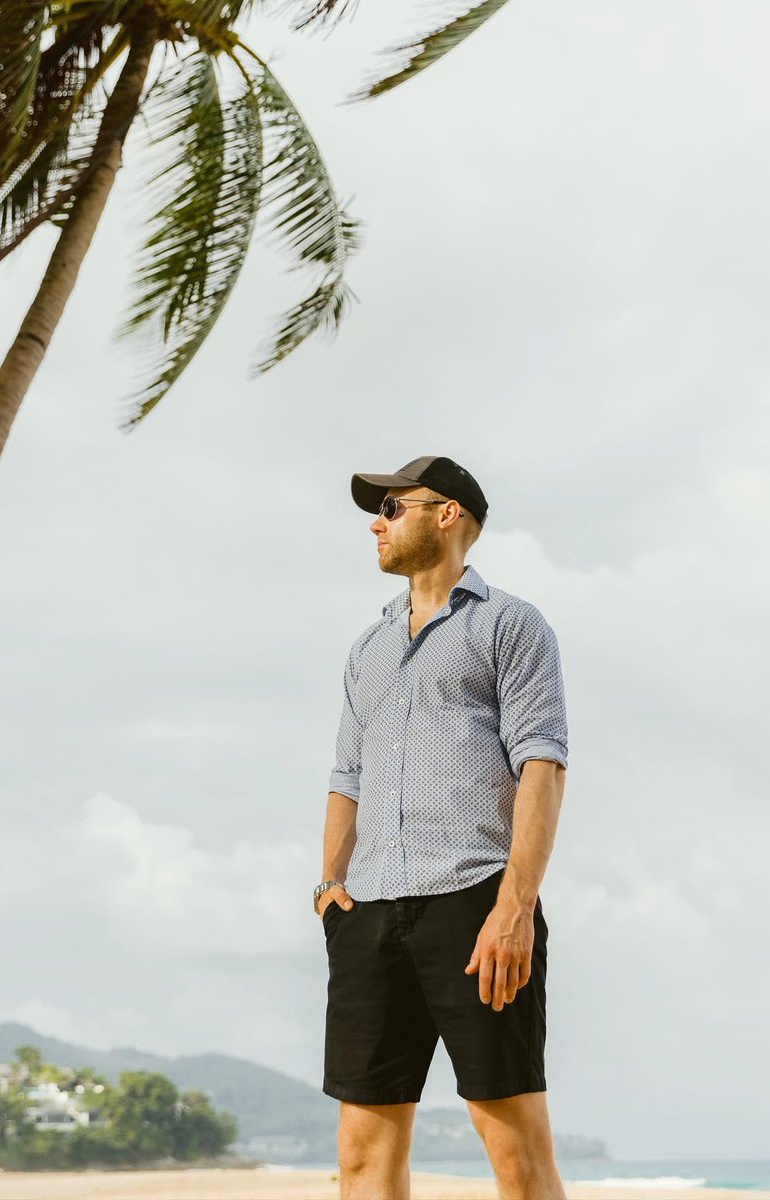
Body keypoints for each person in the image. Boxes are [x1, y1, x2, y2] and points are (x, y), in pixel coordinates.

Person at [317, 455, 569, 1200]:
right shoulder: (368, 647)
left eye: (393, 508)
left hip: (473, 903)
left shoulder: (509, 625)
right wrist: (331, 886)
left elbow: (542, 766)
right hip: (367, 913)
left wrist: (514, 906)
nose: (377, 522)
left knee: (512, 1145)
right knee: (362, 1150)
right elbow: (345, 776)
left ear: (447, 513)